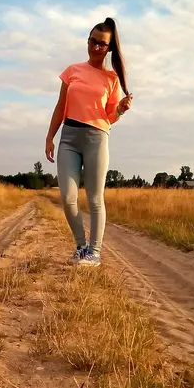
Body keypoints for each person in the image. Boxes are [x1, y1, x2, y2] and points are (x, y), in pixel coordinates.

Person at [45, 17, 132, 266]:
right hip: (69, 138)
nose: (95, 47)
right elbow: (60, 106)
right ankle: (81, 246)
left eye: (101, 44)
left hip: (96, 137)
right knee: (67, 197)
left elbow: (109, 116)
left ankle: (94, 252)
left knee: (95, 199)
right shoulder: (72, 71)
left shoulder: (112, 79)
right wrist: (50, 137)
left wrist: (121, 109)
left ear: (109, 48)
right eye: (92, 41)